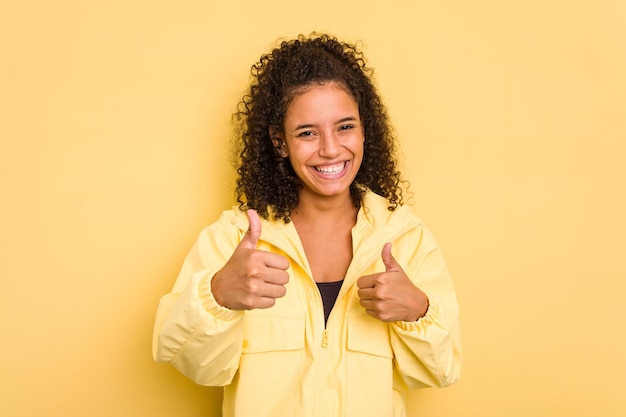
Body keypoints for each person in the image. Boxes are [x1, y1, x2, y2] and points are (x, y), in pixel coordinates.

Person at [152, 33, 461, 417]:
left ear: (365, 129)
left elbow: (442, 371)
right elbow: (192, 365)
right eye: (307, 133)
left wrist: (418, 309)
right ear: (280, 142)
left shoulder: (405, 238)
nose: (330, 149)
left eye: (345, 127)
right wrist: (217, 296)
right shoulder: (233, 239)